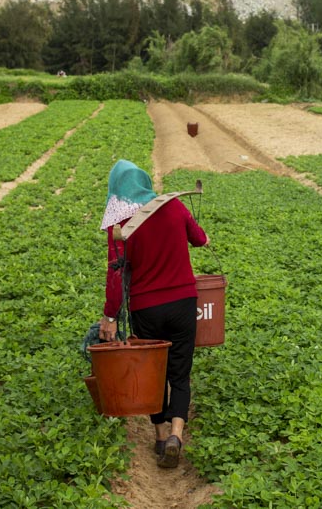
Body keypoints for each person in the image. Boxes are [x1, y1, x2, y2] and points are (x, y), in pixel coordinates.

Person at [98, 159, 208, 469]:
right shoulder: (173, 207)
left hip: (145, 307)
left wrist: (109, 316)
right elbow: (200, 239)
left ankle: (159, 438)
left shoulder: (121, 222)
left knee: (154, 374)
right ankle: (176, 434)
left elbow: (116, 273)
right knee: (180, 372)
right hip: (183, 300)